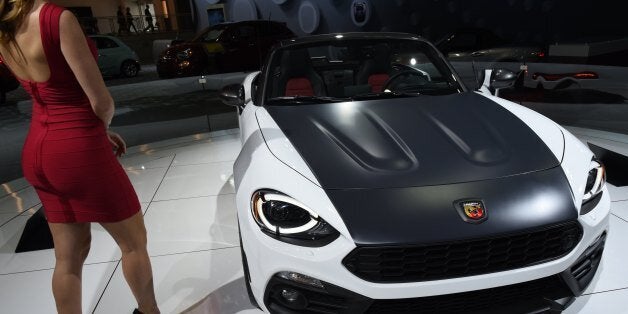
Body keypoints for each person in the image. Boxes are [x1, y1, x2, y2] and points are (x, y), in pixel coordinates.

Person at [0, 1, 160, 313]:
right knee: (133, 243)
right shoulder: (58, 19)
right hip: (78, 149)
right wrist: (96, 130)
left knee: (68, 258)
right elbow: (102, 102)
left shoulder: (6, 27)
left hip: (39, 150)